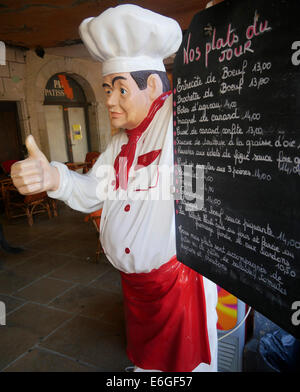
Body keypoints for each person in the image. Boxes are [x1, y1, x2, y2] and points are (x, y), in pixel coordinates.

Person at [11, 4, 218, 372]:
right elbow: (93, 190)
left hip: (175, 286)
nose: (109, 100)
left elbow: (217, 91)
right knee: (147, 364)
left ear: (153, 85)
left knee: (185, 369)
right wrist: (55, 177)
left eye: (120, 89)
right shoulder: (120, 142)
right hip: (135, 288)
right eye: (107, 89)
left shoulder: (181, 118)